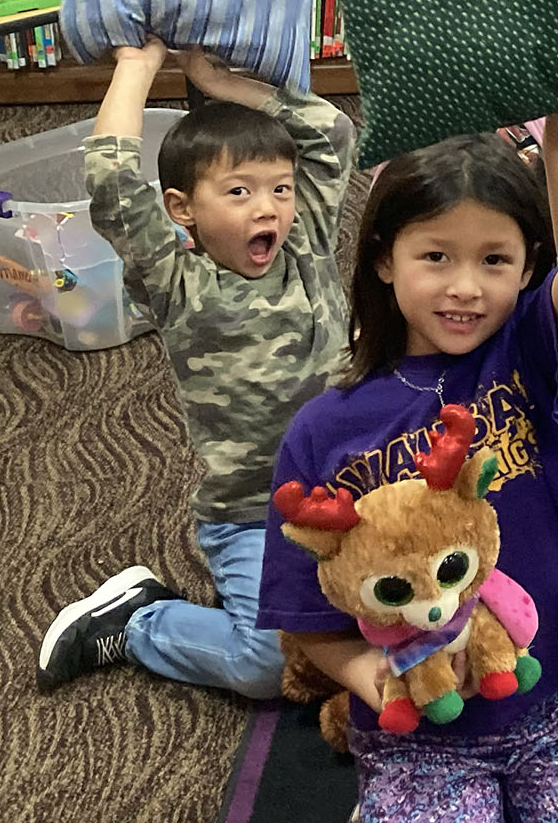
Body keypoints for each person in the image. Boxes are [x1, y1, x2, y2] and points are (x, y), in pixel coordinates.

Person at [256, 82, 558, 822]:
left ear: (529, 267)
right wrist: (373, 676)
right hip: (420, 737)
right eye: (435, 256)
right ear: (383, 260)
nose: (465, 288)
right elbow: (307, 613)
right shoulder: (322, 430)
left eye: (495, 261)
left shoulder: (532, 351)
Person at [36, 41, 354, 700]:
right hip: (250, 512)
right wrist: (138, 66)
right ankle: (139, 620)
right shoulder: (177, 281)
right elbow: (116, 185)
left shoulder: (308, 243)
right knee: (266, 668)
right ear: (183, 210)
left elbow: (330, 131)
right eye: (238, 193)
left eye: (279, 190)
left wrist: (222, 81)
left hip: (353, 494)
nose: (267, 207)